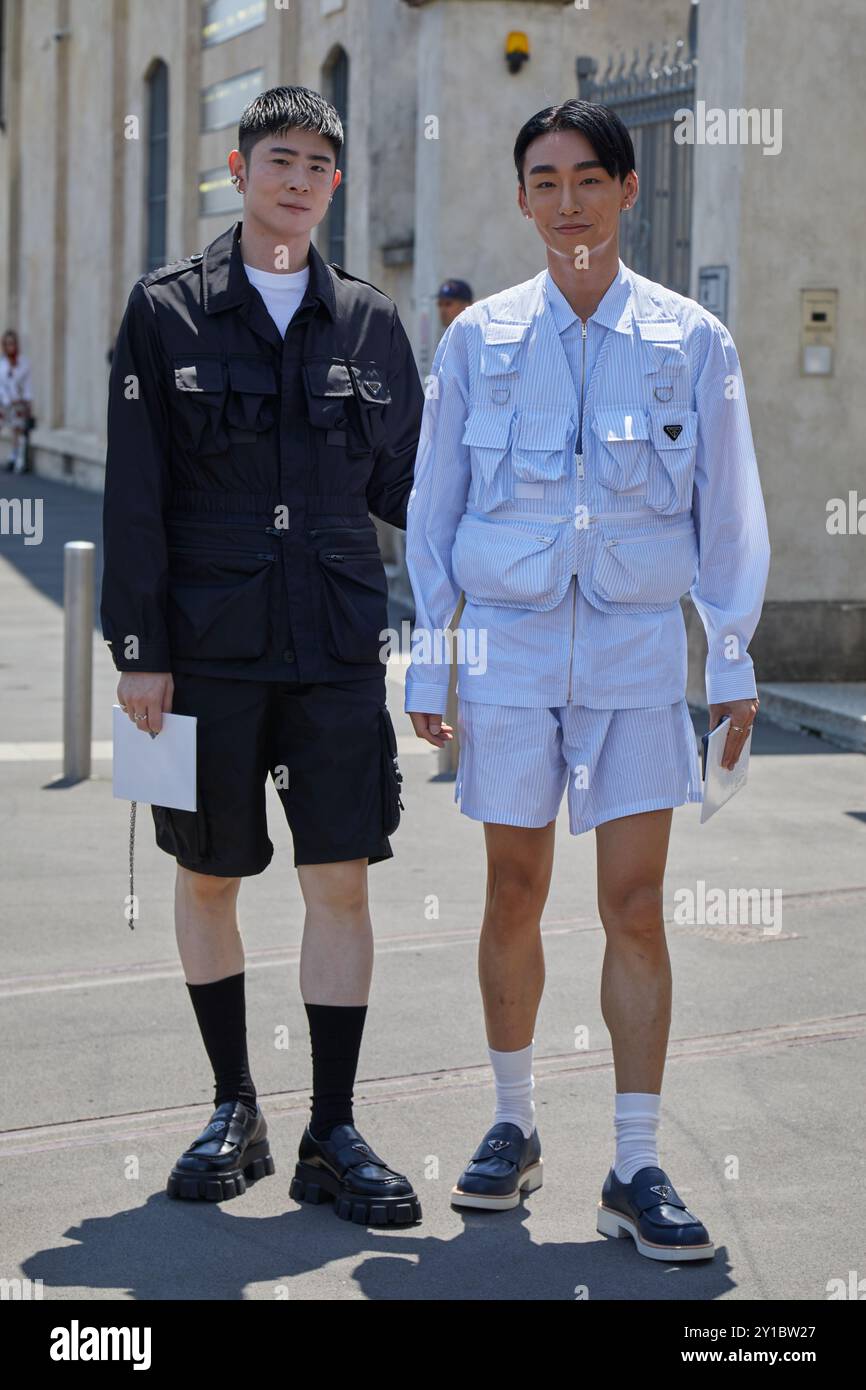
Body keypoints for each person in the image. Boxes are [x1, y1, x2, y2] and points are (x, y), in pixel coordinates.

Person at [404, 99, 771, 1261]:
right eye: (543, 182)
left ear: (623, 192)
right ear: (521, 200)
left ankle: (635, 1159)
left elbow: (729, 511)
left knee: (631, 905)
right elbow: (433, 507)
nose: (565, 202)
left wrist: (729, 652)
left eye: (586, 180)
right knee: (509, 892)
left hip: (624, 655)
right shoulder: (474, 342)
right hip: (507, 655)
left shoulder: (691, 340)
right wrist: (431, 645)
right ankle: (511, 1127)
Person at [101, 85, 425, 1226]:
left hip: (334, 643)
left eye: (317, 166)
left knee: (337, 875)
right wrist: (136, 648)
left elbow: (411, 495)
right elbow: (135, 491)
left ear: (334, 185)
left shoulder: (373, 324)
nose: (297, 179)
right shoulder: (165, 312)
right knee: (208, 873)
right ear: (237, 172)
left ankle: (331, 1128)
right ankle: (232, 1104)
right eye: (277, 158)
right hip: (201, 651)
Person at [0, 329, 33, 473]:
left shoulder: (24, 364)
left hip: (18, 403)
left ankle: (17, 458)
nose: (10, 347)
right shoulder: (2, 365)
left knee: (18, 429)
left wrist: (27, 401)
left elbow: (27, 385)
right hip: (4, 402)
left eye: (12, 344)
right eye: (7, 344)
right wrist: (7, 399)